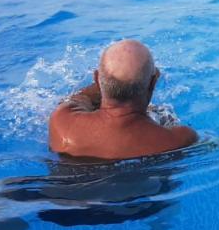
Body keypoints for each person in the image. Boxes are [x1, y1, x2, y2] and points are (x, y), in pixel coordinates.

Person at [48, 40, 198, 160]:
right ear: (153, 83)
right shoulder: (178, 139)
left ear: (96, 79)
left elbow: (78, 99)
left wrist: (106, 81)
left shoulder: (62, 121)